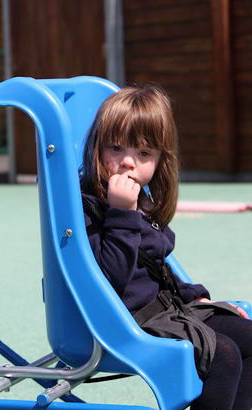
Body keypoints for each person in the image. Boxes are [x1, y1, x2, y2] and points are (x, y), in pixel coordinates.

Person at [80, 84, 252, 410]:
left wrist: (193, 295)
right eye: (116, 148)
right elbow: (111, 279)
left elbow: (155, 265)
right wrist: (121, 213)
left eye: (144, 154)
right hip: (125, 320)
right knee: (224, 354)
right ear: (97, 148)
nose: (128, 162)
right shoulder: (89, 208)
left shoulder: (141, 201)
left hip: (168, 309)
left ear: (160, 161)